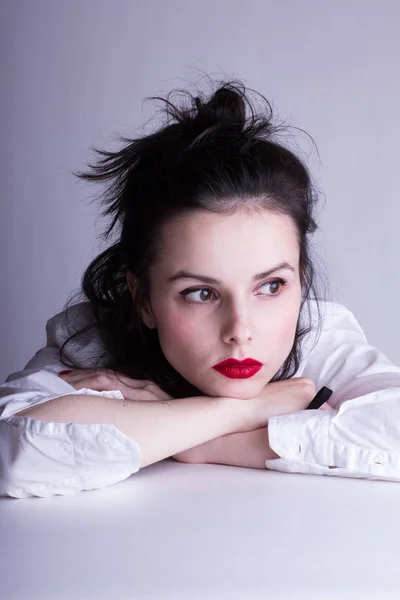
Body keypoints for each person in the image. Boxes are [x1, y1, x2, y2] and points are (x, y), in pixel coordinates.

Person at [1, 79, 400, 500]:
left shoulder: (321, 337)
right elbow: (17, 450)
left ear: (300, 278)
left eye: (271, 286)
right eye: (200, 293)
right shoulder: (92, 343)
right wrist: (244, 409)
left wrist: (202, 442)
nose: (240, 330)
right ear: (142, 298)